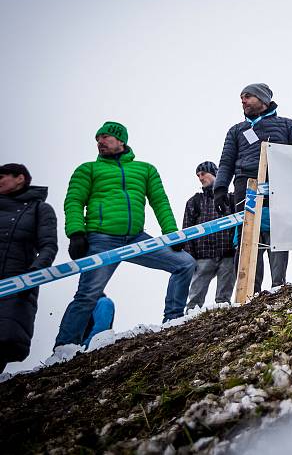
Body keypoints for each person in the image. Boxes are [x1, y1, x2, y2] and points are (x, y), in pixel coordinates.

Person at [55, 121, 196, 349]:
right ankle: (64, 347)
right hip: (101, 240)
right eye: (97, 139)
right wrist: (76, 233)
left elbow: (159, 202)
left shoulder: (145, 169)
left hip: (136, 239)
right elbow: (73, 201)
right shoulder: (88, 169)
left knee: (185, 264)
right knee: (88, 294)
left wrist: (171, 234)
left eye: (105, 137)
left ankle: (173, 320)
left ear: (121, 140)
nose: (100, 142)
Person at [213, 84, 292, 291]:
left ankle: (281, 285)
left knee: (279, 233)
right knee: (247, 238)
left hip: (280, 186)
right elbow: (226, 162)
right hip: (246, 187)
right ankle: (250, 290)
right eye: (241, 97)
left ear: (264, 100)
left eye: (248, 96)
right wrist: (220, 188)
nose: (243, 101)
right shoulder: (236, 130)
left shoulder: (287, 125)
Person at [0, 164, 58, 372]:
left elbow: (49, 245)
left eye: (2, 176)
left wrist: (34, 274)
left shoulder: (40, 209)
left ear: (20, 178)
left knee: (3, 342)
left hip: (16, 287)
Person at [183, 162, 236, 309]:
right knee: (194, 302)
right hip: (203, 257)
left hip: (228, 255)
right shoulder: (194, 201)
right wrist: (190, 258)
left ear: (214, 173)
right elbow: (187, 230)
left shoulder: (231, 199)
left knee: (224, 301)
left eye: (203, 173)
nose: (200, 177)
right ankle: (188, 324)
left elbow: (240, 226)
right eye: (198, 175)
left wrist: (236, 249)